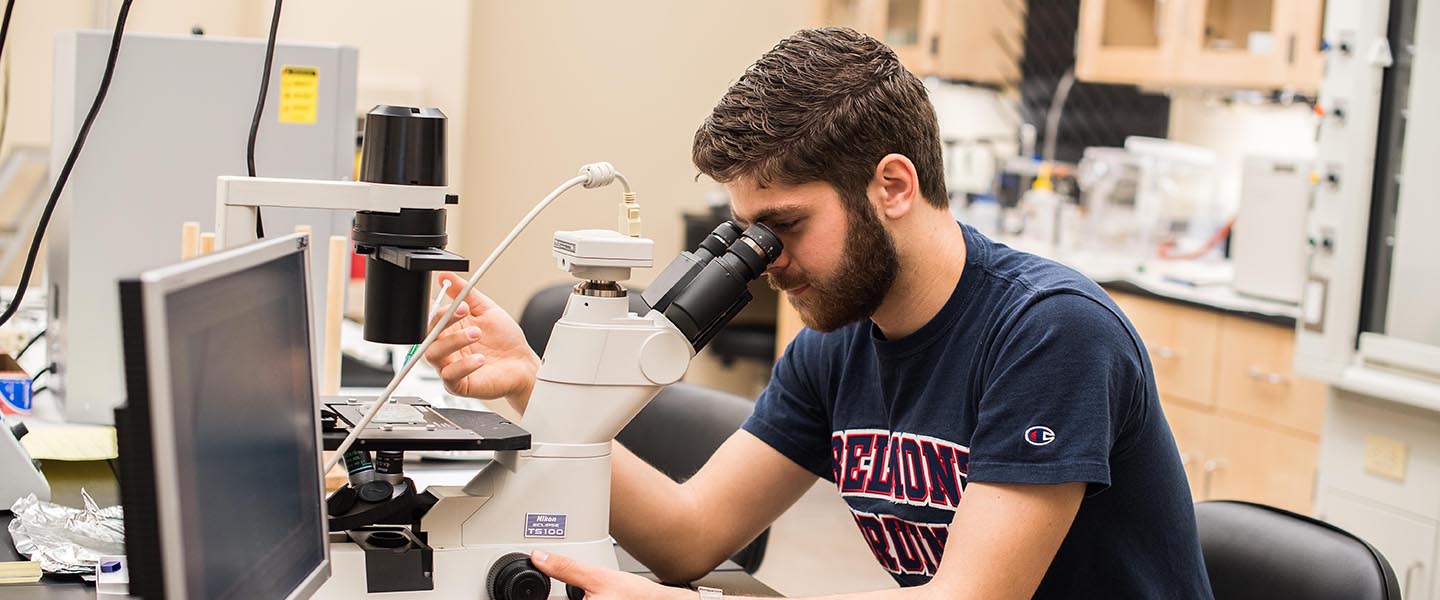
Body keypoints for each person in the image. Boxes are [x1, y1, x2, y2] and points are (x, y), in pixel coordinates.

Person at [425, 27, 1213, 600]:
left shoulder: (1052, 333)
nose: (768, 261)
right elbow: (690, 535)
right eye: (748, 233)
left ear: (893, 186)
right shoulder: (840, 342)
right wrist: (530, 383)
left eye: (786, 226)